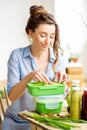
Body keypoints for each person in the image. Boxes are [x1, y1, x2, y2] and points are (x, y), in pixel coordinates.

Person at [2, 5, 70, 130]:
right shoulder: (17, 56)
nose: (48, 41)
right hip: (18, 121)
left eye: (52, 36)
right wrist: (28, 77)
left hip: (45, 121)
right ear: (31, 32)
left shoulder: (57, 56)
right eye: (43, 35)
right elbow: (11, 96)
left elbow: (62, 96)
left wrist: (63, 83)